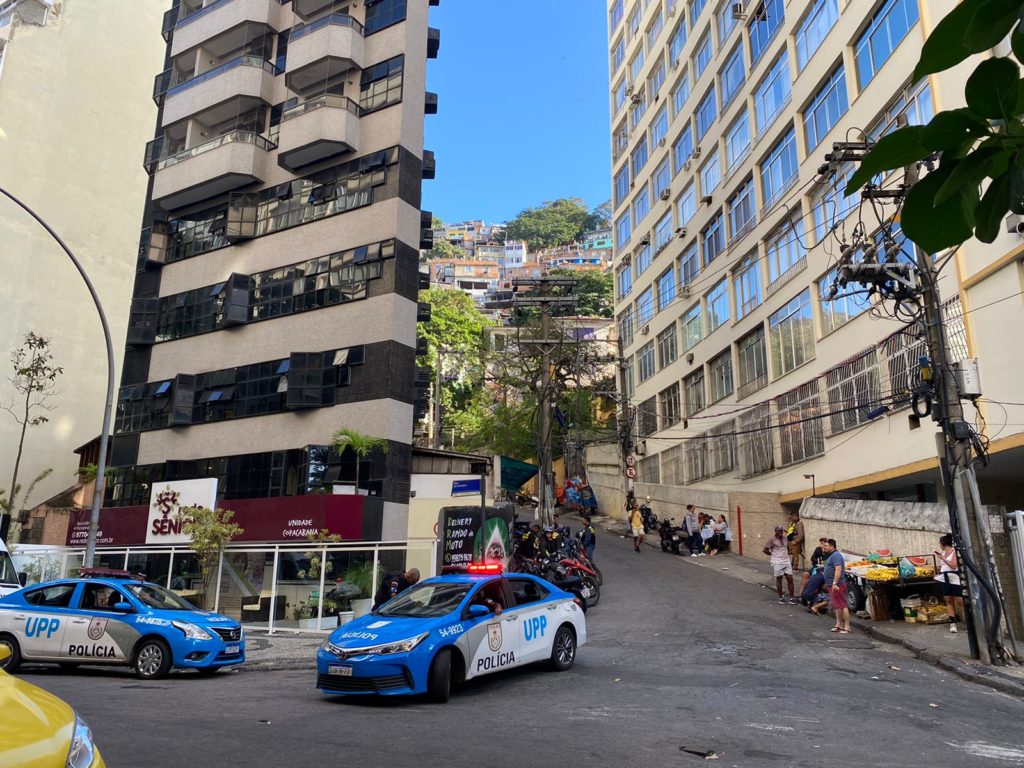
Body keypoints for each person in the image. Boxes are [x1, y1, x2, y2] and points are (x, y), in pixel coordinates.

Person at [935, 533, 963, 634]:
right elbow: (944, 566)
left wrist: (943, 559)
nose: (939, 546)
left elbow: (954, 565)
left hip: (954, 579)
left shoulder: (954, 552)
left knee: (960, 601)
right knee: (949, 600)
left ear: (943, 544)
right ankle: (952, 623)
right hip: (944, 578)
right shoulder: (944, 554)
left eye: (940, 543)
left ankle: (969, 622)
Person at [822, 538, 850, 633]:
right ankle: (839, 625)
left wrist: (834, 583)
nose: (824, 547)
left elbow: (838, 570)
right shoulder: (832, 555)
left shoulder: (836, 556)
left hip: (837, 585)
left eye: (826, 546)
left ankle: (847, 626)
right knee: (837, 605)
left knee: (842, 605)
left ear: (832, 546)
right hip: (831, 584)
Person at [764, 526, 797, 604]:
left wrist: (787, 553)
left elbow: (788, 547)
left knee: (790, 578)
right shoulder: (772, 540)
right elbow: (765, 550)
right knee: (779, 579)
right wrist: (772, 555)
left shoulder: (785, 538)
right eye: (779, 531)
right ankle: (781, 597)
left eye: (781, 531)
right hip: (777, 562)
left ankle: (792, 597)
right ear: (775, 531)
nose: (780, 533)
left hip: (786, 560)